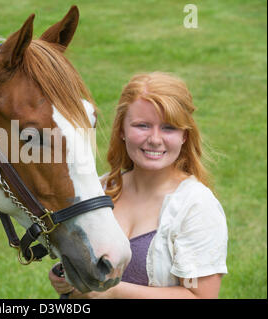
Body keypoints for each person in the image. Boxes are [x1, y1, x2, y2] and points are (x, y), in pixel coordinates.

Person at [49, 72, 228, 298]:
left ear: (185, 135)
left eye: (169, 128)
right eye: (142, 125)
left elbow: (200, 296)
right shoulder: (99, 189)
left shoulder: (197, 206)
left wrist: (112, 292)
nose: (155, 139)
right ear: (122, 130)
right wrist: (68, 278)